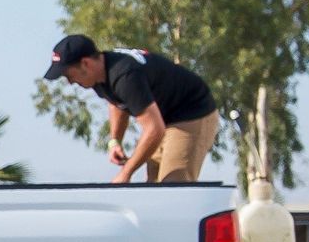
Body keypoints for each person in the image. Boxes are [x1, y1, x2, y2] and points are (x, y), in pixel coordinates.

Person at [42, 34, 220, 184]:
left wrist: (125, 174)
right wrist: (115, 141)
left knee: (172, 188)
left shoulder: (125, 76)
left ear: (86, 64)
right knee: (154, 190)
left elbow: (154, 130)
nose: (70, 82)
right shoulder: (99, 75)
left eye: (68, 74)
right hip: (164, 119)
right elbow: (116, 102)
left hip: (192, 114)